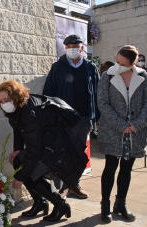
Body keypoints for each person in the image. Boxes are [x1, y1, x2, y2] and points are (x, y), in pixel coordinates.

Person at [0, 80, 88, 222]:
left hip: (58, 147)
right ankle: (40, 202)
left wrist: (20, 177)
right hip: (45, 143)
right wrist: (17, 150)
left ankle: (60, 204)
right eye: (1, 101)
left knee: (26, 171)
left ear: (16, 96)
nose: (4, 103)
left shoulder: (30, 112)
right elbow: (18, 130)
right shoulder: (17, 109)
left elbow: (34, 150)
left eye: (7, 99)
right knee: (18, 161)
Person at [97, 45, 147, 223]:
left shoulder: (143, 76)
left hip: (135, 132)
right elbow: (103, 103)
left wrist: (135, 125)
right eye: (117, 61)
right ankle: (105, 205)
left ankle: (120, 204)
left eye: (123, 63)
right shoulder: (107, 76)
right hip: (113, 131)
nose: (118, 65)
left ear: (132, 63)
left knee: (127, 169)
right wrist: (121, 125)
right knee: (110, 167)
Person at [43, 34, 100, 199]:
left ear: (82, 47)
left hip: (83, 119)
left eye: (75, 46)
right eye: (68, 46)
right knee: (61, 152)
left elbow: (98, 93)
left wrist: (98, 117)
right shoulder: (57, 67)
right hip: (63, 119)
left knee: (78, 153)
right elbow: (49, 93)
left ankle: (74, 184)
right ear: (65, 48)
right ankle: (60, 188)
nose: (71, 49)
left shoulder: (91, 67)